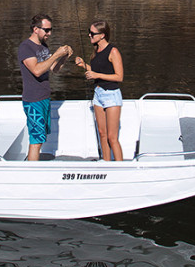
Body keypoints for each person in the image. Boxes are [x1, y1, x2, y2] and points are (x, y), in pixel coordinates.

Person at [18, 14, 72, 162]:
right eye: (46, 30)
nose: (49, 33)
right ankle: (33, 172)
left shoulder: (43, 46)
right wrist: (56, 54)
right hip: (33, 99)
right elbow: (36, 70)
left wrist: (64, 57)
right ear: (36, 29)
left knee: (41, 137)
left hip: (44, 97)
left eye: (50, 30)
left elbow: (54, 68)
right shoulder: (26, 47)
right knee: (36, 139)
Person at [74, 20, 124, 161]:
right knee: (102, 133)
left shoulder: (113, 51)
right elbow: (96, 71)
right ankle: (106, 163)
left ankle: (121, 168)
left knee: (112, 137)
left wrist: (96, 75)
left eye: (93, 33)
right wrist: (84, 65)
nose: (89, 35)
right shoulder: (96, 50)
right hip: (98, 95)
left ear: (102, 35)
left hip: (111, 95)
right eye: (89, 32)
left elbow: (119, 76)